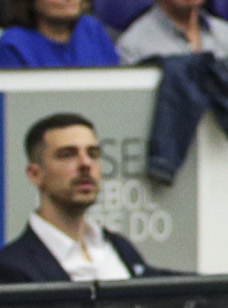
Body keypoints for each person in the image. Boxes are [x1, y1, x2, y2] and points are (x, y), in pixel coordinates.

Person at [0, 113, 162, 281]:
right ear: (35, 174)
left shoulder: (118, 246)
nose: (85, 164)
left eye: (93, 154)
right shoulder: (11, 268)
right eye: (67, 155)